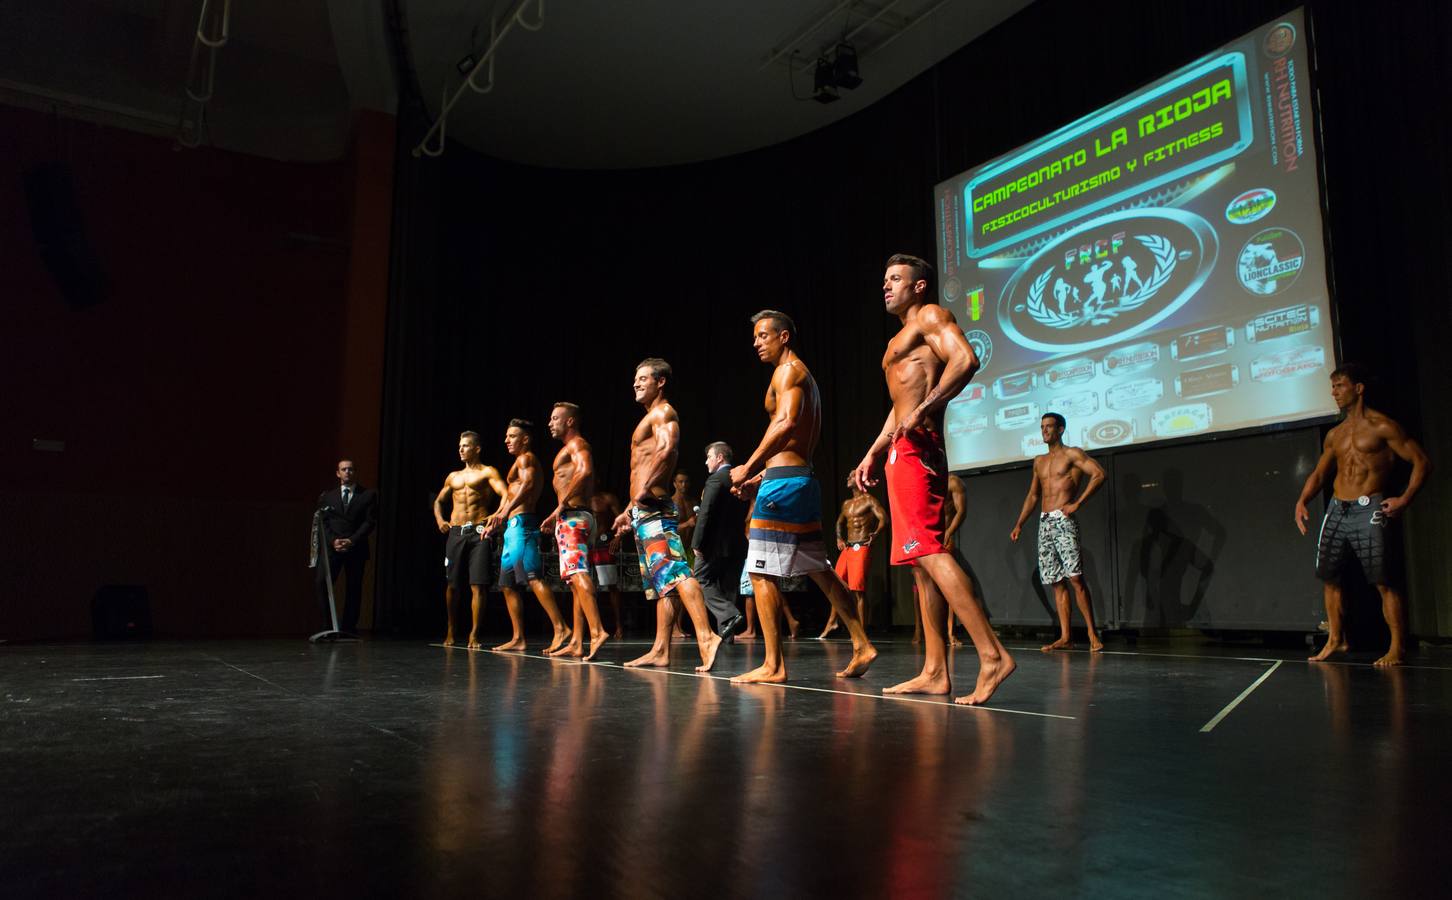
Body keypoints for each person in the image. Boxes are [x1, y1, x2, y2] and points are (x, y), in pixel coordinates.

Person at [852, 253, 1014, 705]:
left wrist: (926, 409)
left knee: (928, 549)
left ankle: (992, 655)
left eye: (896, 278)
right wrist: (873, 451)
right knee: (920, 566)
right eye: (884, 279)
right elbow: (900, 404)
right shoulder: (905, 334)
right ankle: (935, 670)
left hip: (919, 450)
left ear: (919, 286)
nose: (886, 285)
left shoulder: (929, 316)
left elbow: (966, 359)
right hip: (902, 451)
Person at [730, 310, 877, 683]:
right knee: (821, 570)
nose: (757, 342)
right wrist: (763, 473)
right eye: (755, 336)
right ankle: (862, 644)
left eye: (764, 335)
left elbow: (786, 424)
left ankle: (773, 664)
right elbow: (793, 441)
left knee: (760, 571)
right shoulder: (801, 374)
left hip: (785, 485)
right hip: (795, 478)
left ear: (784, 337)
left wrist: (748, 466)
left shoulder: (788, 371)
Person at [1295, 363, 1431, 667]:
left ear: (1358, 388)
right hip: (1337, 509)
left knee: (1383, 581)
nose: (1334, 393)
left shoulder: (1383, 426)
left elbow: (1421, 462)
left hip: (1370, 508)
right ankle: (1337, 639)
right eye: (1332, 387)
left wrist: (1404, 499)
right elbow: (1319, 474)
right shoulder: (1335, 434)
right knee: (1329, 578)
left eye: (1340, 386)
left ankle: (1397, 647)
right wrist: (1302, 500)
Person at [609, 358, 723, 671]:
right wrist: (630, 508)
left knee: (676, 572)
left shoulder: (663, 412)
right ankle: (661, 649)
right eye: (635, 379)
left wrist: (643, 490)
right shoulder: (651, 417)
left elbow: (668, 450)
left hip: (655, 508)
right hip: (644, 510)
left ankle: (706, 636)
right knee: (664, 584)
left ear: (660, 382)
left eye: (643, 378)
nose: (636, 383)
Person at [1009, 413, 1106, 652]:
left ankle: (1093, 636)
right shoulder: (1039, 461)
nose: (1045, 431)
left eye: (1049, 427)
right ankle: (1066, 637)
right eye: (1042, 427)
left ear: (1061, 429)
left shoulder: (1072, 454)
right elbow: (1033, 495)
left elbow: (1099, 474)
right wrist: (1019, 523)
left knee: (1075, 578)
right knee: (1055, 581)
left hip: (1063, 520)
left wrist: (1077, 503)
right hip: (1045, 522)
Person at [484, 419, 572, 653]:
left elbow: (528, 484)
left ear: (525, 439)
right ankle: (518, 637)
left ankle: (561, 627)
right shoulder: (518, 462)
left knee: (533, 577)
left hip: (522, 525)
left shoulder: (526, 459)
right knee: (507, 584)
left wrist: (503, 512)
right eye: (506, 436)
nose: (506, 440)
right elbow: (514, 492)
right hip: (513, 527)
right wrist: (500, 513)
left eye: (512, 436)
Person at [540, 402, 610, 660]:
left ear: (570, 421)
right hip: (574, 516)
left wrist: (561, 505)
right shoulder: (569, 448)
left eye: (556, 418)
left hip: (573, 517)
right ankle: (578, 642)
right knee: (573, 581)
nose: (551, 423)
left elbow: (585, 471)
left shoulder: (577, 445)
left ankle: (597, 630)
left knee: (577, 572)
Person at [431, 432, 507, 648]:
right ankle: (451, 629)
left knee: (478, 585)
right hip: (456, 532)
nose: (461, 449)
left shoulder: (488, 472)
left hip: (479, 531)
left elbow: (506, 493)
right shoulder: (453, 476)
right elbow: (438, 501)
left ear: (477, 448)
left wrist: (498, 514)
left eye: (466, 446)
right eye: (460, 446)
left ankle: (474, 634)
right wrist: (439, 520)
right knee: (452, 585)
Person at [692, 442, 748, 641]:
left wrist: (697, 543)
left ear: (719, 458)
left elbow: (705, 513)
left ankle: (730, 614)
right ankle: (728, 635)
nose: (706, 461)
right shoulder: (740, 479)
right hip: (738, 544)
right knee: (728, 586)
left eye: (709, 457)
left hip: (715, 545)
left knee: (700, 578)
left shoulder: (716, 479)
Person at [315, 459, 378, 634]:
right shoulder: (328, 496)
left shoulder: (368, 495)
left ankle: (349, 627)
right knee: (322, 583)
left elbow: (369, 522)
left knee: (354, 587)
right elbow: (324, 523)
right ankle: (327, 626)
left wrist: (352, 540)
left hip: (355, 548)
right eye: (344, 469)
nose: (347, 472)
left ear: (355, 472)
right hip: (332, 549)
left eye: (350, 469)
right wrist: (333, 541)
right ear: (338, 473)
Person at [821, 477, 885, 639]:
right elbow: (839, 522)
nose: (848, 478)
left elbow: (884, 519)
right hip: (848, 548)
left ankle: (862, 632)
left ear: (859, 480)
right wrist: (839, 538)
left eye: (851, 475)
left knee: (858, 590)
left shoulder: (869, 500)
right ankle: (832, 622)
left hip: (861, 546)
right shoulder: (847, 504)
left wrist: (875, 534)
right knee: (836, 584)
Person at [589, 490, 626, 638]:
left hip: (603, 545)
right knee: (582, 586)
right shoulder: (581, 499)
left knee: (611, 586)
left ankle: (619, 626)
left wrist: (618, 538)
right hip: (586, 546)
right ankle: (591, 628)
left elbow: (621, 520)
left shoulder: (607, 497)